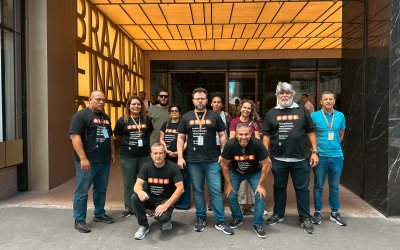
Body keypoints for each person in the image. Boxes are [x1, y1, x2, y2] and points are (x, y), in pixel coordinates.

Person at [262, 82, 319, 234]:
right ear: (277, 95)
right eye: (281, 93)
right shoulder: (271, 113)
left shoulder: (302, 110)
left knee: (302, 190)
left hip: (300, 159)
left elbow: (311, 131)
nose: (285, 95)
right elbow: (266, 136)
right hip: (278, 159)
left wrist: (315, 152)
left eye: (288, 93)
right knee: (279, 188)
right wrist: (265, 156)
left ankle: (305, 218)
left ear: (292, 95)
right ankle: (278, 214)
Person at [177, 87, 234, 235]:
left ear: (207, 100)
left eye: (203, 98)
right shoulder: (186, 117)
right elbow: (181, 138)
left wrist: (223, 152)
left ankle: (220, 221)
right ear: (193, 100)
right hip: (193, 160)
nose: (200, 101)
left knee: (215, 190)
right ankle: (200, 218)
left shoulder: (215, 116)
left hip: (212, 160)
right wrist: (180, 157)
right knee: (197, 190)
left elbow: (222, 135)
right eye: (197, 98)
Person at [69, 90, 115, 233]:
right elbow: (75, 138)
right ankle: (79, 219)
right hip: (88, 161)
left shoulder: (105, 117)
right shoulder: (80, 115)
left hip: (104, 161)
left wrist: (112, 152)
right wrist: (83, 158)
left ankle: (99, 214)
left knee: (101, 189)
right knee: (82, 191)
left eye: (103, 99)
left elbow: (109, 136)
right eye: (98, 99)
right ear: (90, 100)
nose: (101, 102)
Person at [221, 123, 270, 238]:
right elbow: (224, 165)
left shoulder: (257, 144)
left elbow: (266, 164)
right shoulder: (230, 144)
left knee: (260, 194)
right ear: (236, 134)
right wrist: (228, 184)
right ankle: (237, 217)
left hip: (254, 173)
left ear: (251, 134)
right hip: (235, 172)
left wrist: (261, 185)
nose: (244, 137)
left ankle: (257, 224)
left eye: (246, 134)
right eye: (241, 134)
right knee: (230, 194)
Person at [132, 143, 184, 240]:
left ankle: (166, 219)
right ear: (151, 154)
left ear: (164, 154)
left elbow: (180, 189)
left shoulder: (173, 167)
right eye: (155, 153)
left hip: (165, 200)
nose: (158, 156)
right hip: (151, 199)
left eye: (161, 153)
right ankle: (144, 226)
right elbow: (137, 185)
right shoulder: (146, 166)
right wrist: (140, 191)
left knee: (162, 218)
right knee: (135, 197)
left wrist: (166, 205)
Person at [311, 91, 347, 226]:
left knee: (334, 186)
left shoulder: (340, 116)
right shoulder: (314, 116)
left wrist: (334, 145)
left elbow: (341, 134)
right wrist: (314, 151)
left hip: (337, 156)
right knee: (318, 186)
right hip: (320, 157)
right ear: (321, 101)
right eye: (325, 99)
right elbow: (311, 135)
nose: (328, 101)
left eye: (330, 99)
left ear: (334, 101)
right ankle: (317, 212)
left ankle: (335, 212)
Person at [114, 96, 154, 218]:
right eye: (133, 104)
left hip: (145, 155)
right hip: (128, 156)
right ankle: (129, 208)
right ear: (129, 106)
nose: (136, 106)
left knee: (145, 182)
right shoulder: (122, 120)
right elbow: (117, 135)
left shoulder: (146, 119)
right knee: (129, 182)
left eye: (138, 104)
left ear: (142, 106)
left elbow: (150, 132)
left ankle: (145, 206)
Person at [229, 99, 263, 215]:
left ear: (251, 110)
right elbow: (232, 138)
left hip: (253, 155)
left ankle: (255, 206)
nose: (246, 110)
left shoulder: (255, 123)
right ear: (240, 108)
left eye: (249, 108)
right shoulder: (234, 121)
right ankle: (242, 206)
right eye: (244, 107)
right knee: (242, 184)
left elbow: (258, 140)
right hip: (239, 155)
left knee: (254, 182)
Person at [160, 104, 190, 210]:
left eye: (176, 111)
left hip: (180, 156)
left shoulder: (184, 124)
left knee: (183, 179)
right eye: (172, 111)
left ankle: (183, 204)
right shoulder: (166, 124)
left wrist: (179, 152)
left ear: (180, 113)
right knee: (170, 180)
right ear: (169, 113)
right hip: (168, 156)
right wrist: (165, 150)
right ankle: (170, 203)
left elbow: (186, 141)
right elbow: (161, 139)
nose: (174, 112)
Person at [208, 94, 231, 211]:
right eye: (214, 102)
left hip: (223, 147)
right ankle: (212, 200)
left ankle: (218, 199)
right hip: (211, 147)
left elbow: (230, 132)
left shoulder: (226, 116)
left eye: (219, 102)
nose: (217, 104)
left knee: (222, 173)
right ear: (211, 104)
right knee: (212, 173)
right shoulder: (207, 115)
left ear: (222, 104)